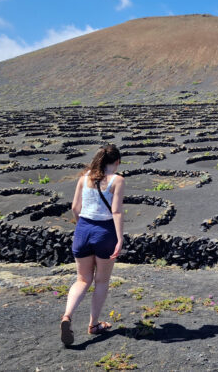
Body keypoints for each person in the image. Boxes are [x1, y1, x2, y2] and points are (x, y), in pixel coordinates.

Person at [60, 144, 125, 347]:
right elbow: (116, 211)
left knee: (82, 279)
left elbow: (75, 208)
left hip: (83, 229)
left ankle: (67, 316)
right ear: (117, 162)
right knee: (101, 281)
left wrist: (82, 227)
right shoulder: (117, 180)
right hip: (104, 231)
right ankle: (93, 324)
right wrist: (120, 238)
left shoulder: (84, 178)